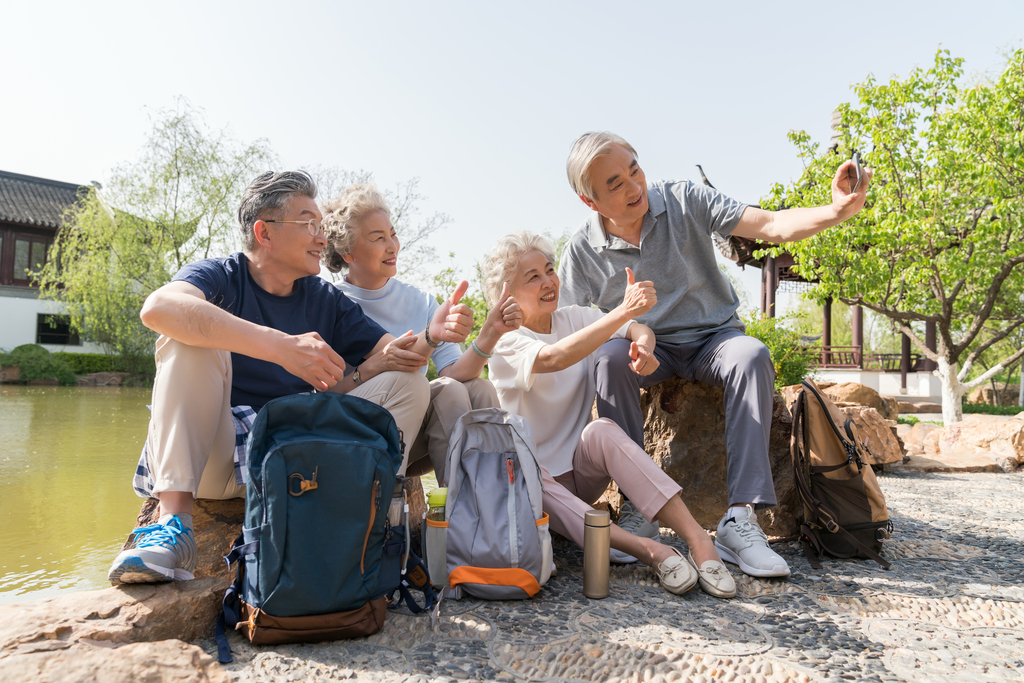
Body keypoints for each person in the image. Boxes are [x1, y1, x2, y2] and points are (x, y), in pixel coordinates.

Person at [557, 132, 873, 579]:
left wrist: (836, 210)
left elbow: (769, 226)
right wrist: (631, 339)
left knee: (753, 356)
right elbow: (572, 329)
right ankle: (637, 508)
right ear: (591, 202)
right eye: (615, 184)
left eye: (635, 169)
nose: (634, 187)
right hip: (646, 347)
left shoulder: (685, 198)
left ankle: (740, 519)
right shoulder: (581, 250)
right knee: (607, 359)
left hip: (714, 337)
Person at [108, 170, 434, 585]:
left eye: (322, 226)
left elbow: (398, 358)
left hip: (292, 464)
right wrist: (281, 347)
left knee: (409, 384)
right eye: (309, 224)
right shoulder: (220, 276)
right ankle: (173, 527)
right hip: (216, 456)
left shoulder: (325, 299)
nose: (322, 237)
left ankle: (364, 527)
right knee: (186, 337)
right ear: (264, 232)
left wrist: (432, 335)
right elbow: (157, 308)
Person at [484, 231, 736, 599]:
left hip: (580, 473)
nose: (548, 281)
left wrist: (644, 348)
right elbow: (556, 358)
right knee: (528, 472)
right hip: (533, 487)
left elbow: (637, 328)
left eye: (550, 270)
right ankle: (654, 552)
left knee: (601, 429)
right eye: (532, 276)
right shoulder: (506, 342)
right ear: (506, 293)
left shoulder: (574, 318)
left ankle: (699, 540)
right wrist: (622, 311)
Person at [320, 183, 521, 484]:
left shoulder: (421, 301)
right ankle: (463, 514)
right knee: (444, 389)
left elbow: (454, 372)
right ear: (347, 252)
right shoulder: (331, 303)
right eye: (378, 238)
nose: (393, 246)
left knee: (480, 389)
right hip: (357, 433)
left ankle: (490, 507)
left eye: (393, 234)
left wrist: (490, 332)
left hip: (417, 438)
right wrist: (431, 336)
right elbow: (326, 394)